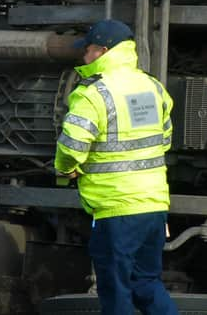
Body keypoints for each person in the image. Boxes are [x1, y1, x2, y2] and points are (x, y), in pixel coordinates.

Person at [54, 19, 178, 315]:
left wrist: (66, 168)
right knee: (147, 283)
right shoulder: (153, 87)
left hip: (116, 210)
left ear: (102, 51)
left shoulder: (93, 94)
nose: (83, 56)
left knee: (115, 290)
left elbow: (71, 146)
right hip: (154, 207)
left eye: (86, 50)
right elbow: (165, 140)